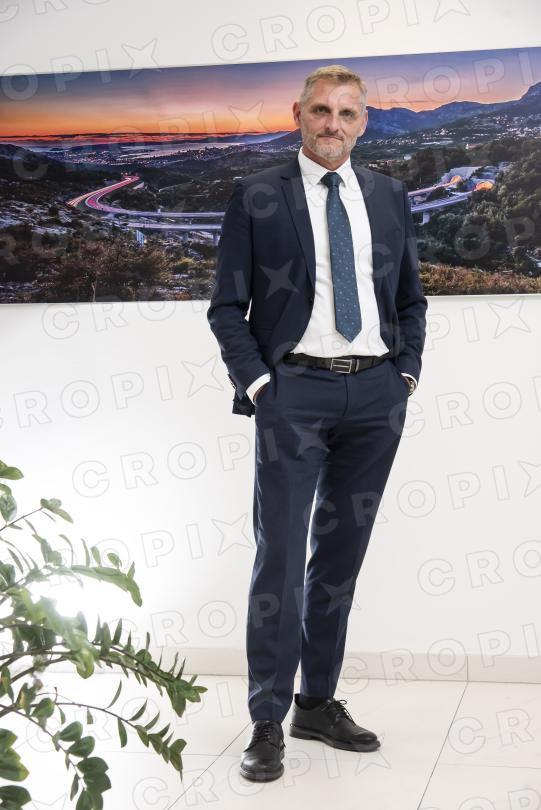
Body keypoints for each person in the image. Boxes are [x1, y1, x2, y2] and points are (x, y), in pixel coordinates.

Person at [207, 64, 428, 782]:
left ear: (364, 121)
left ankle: (316, 703)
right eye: (321, 111)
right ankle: (267, 719)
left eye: (347, 113)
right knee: (279, 559)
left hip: (375, 395)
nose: (334, 124)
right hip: (293, 393)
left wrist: (404, 374)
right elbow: (225, 307)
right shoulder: (256, 194)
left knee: (338, 558)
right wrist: (262, 386)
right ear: (297, 113)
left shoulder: (388, 195)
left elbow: (410, 299)